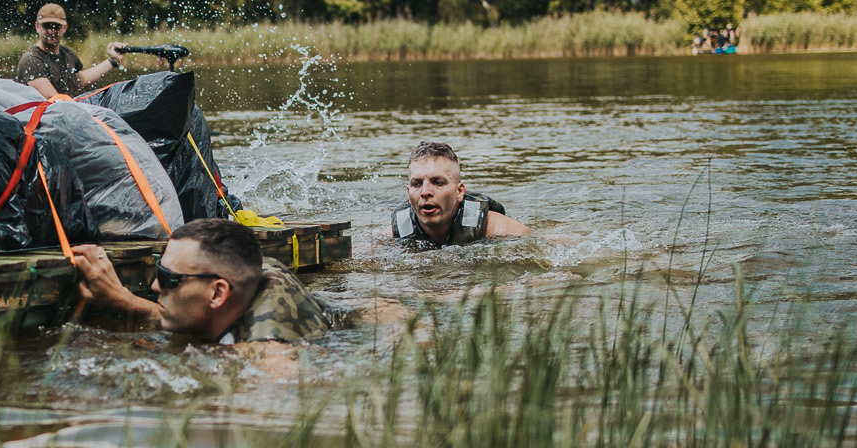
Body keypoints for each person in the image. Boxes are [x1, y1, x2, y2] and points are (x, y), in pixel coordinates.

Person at [69, 218, 332, 343]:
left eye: (169, 278)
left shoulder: (267, 351)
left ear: (218, 293)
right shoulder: (243, 281)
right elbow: (198, 313)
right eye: (159, 273)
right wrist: (123, 299)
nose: (154, 286)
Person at [390, 141, 530, 249]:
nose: (425, 192)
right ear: (409, 193)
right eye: (417, 184)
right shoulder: (393, 236)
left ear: (460, 192)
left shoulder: (500, 230)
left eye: (438, 182)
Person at [17, 2, 126, 99]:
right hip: (43, 118)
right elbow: (54, 100)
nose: (51, 31)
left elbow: (80, 82)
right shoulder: (31, 60)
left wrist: (112, 61)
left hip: (64, 114)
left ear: (64, 28)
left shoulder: (67, 54)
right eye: (47, 26)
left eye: (56, 26)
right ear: (37, 27)